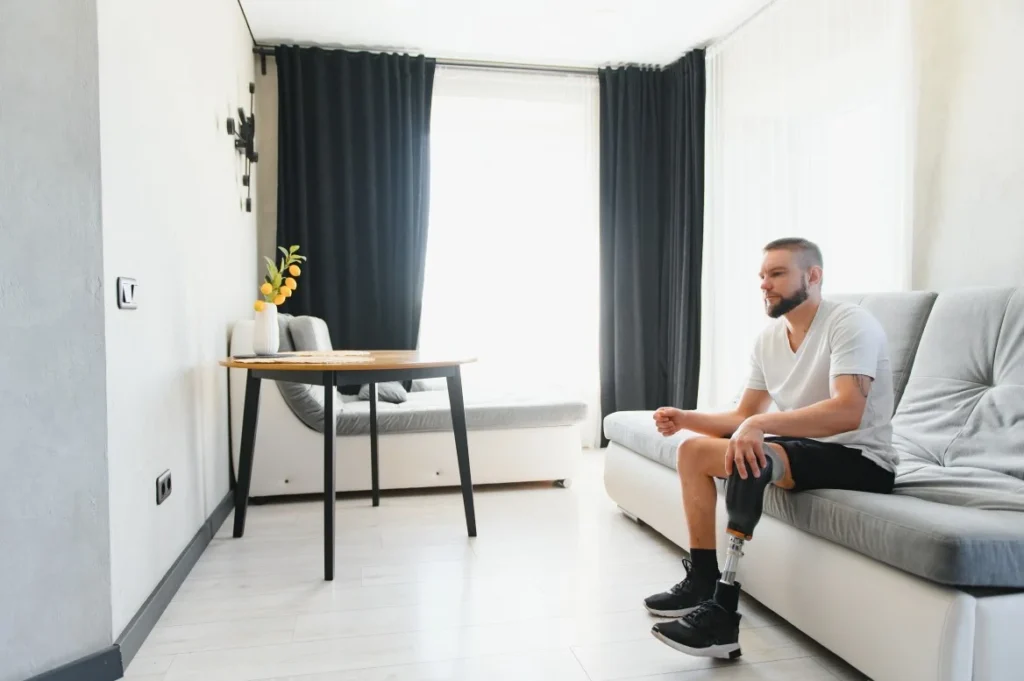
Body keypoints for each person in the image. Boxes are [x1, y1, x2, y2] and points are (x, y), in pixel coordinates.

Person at [645, 237, 898, 659]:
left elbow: (848, 411)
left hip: (861, 458)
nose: (765, 284)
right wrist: (686, 418)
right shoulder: (768, 339)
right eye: (762, 275)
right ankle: (702, 578)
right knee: (693, 452)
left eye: (777, 273)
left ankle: (723, 615)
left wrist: (758, 425)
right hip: (805, 447)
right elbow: (743, 413)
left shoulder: (850, 324)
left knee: (752, 457)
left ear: (812, 276)